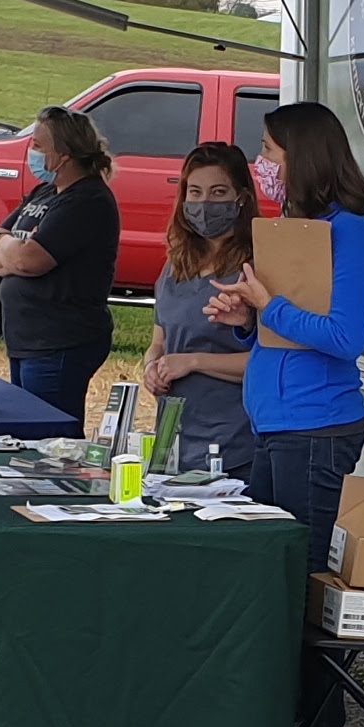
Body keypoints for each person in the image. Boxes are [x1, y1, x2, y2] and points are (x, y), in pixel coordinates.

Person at [205, 101, 364, 727]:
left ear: (302, 157)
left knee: (305, 584)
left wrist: (269, 304)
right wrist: (247, 318)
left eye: (270, 152)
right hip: (276, 423)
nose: (262, 165)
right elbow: (286, 334)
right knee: (276, 580)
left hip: (317, 427)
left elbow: (343, 338)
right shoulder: (296, 231)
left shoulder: (351, 235)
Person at [0, 105, 118, 423]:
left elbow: (30, 261)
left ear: (64, 154)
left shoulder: (87, 201)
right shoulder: (44, 193)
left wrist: (10, 247)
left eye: (38, 146)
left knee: (48, 436)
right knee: (26, 428)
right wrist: (10, 245)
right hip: (26, 340)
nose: (32, 152)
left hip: (59, 342)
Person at [141, 141, 262, 481]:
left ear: (240, 198)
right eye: (194, 192)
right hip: (174, 439)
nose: (204, 203)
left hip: (233, 445)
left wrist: (193, 362)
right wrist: (152, 367)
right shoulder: (176, 265)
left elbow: (269, 360)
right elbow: (159, 341)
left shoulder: (256, 267)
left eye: (218, 191)